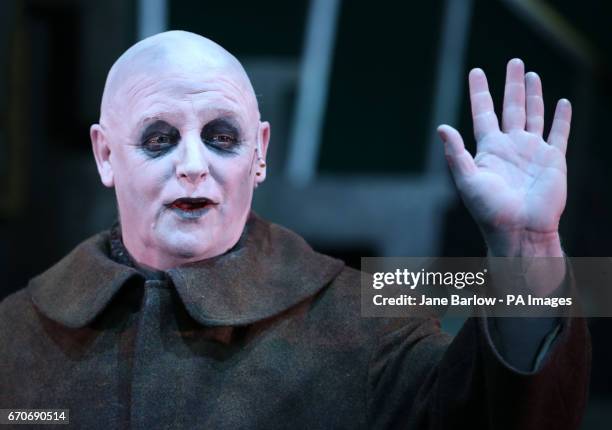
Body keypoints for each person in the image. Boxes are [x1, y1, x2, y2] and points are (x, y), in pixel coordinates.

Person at [0, 31, 590, 429]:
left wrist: (528, 248)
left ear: (258, 153)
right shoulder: (16, 335)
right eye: (159, 138)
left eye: (220, 137)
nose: (192, 164)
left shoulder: (368, 318)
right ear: (106, 156)